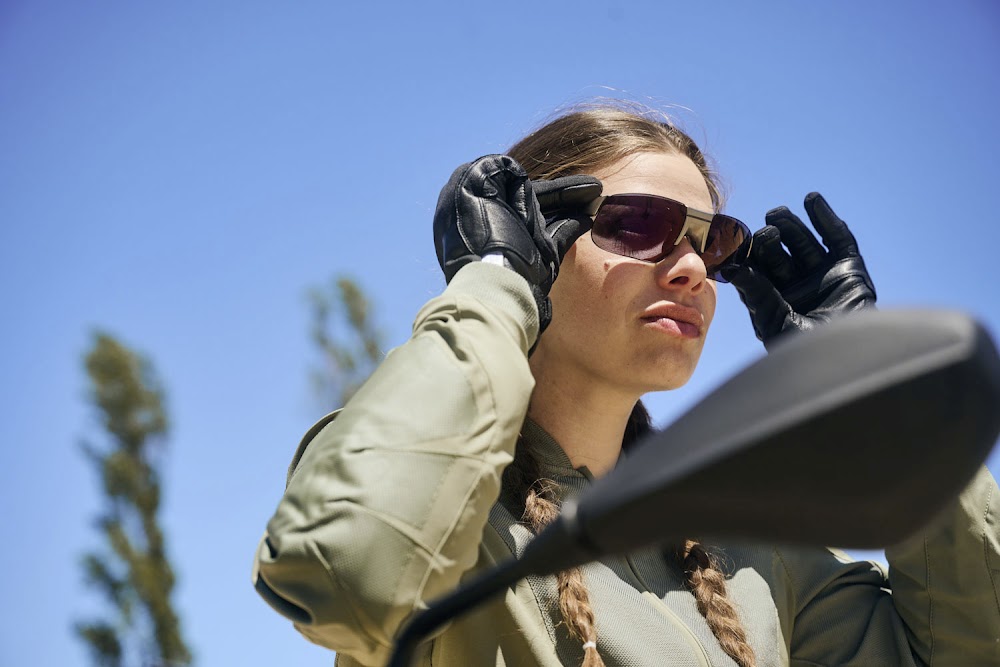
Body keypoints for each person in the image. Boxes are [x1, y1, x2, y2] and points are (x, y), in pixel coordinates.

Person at [252, 103, 1000, 666]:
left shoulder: (754, 551)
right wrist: (496, 283)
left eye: (711, 241)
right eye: (640, 223)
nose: (693, 268)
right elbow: (347, 577)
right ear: (534, 238)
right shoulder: (440, 505)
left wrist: (872, 393)